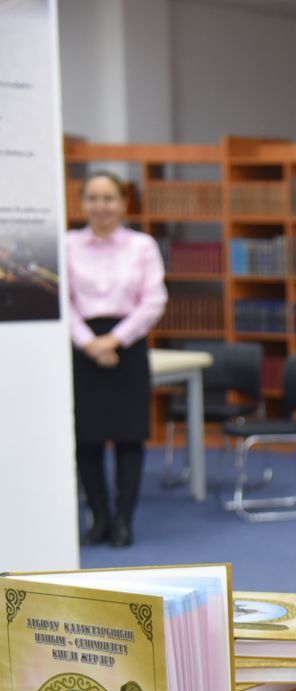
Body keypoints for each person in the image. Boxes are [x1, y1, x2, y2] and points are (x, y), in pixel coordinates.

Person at [66, 171, 167, 548]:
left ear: (124, 203)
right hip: (81, 347)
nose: (101, 206)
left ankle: (124, 520)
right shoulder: (67, 245)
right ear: (82, 203)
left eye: (108, 198)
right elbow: (61, 300)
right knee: (86, 438)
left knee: (129, 437)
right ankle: (99, 518)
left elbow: (154, 300)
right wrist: (89, 343)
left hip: (129, 344)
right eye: (93, 198)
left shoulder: (142, 246)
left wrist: (114, 340)